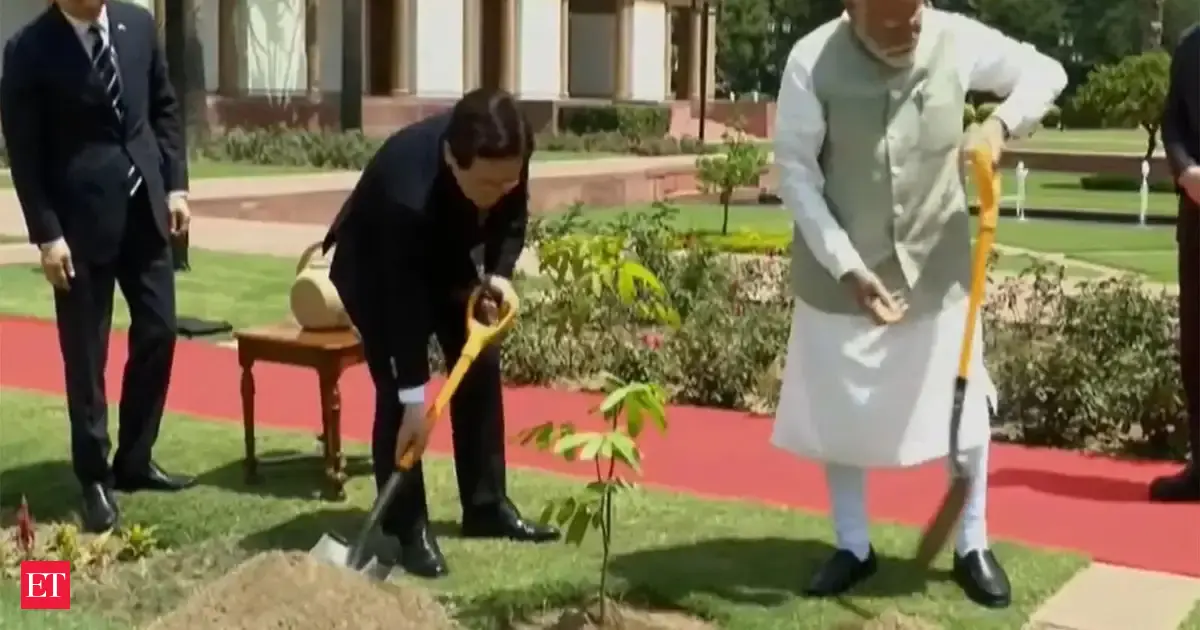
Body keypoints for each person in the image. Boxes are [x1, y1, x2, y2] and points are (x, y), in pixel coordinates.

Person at [770, 0, 1065, 608]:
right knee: (840, 413)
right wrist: (846, 264)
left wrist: (999, 125)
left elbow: (1047, 72)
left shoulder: (955, 38)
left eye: (913, 15)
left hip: (939, 271)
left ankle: (972, 543)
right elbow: (796, 171)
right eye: (889, 20)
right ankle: (853, 545)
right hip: (841, 272)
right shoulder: (811, 59)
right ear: (853, 8)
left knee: (966, 415)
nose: (907, 30)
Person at [322, 89, 559, 579]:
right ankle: (407, 528)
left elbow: (512, 218)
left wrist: (498, 274)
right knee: (399, 397)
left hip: (448, 257)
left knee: (479, 365)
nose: (500, 191)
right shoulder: (403, 190)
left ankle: (487, 506)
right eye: (487, 184)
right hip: (377, 273)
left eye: (508, 180)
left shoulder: (507, 151)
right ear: (453, 158)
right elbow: (402, 306)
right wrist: (414, 396)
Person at [1, 0, 193, 534]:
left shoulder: (136, 25)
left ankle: (134, 458)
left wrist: (176, 184)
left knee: (159, 332)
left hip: (146, 213)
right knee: (87, 358)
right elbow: (25, 152)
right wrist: (47, 235)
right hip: (79, 228)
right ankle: (94, 477)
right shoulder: (29, 49)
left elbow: (164, 110)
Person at [1152, 24, 1200, 503]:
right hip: (1198, 214)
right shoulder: (1191, 45)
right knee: (1196, 346)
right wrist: (1185, 169)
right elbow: (1174, 122)